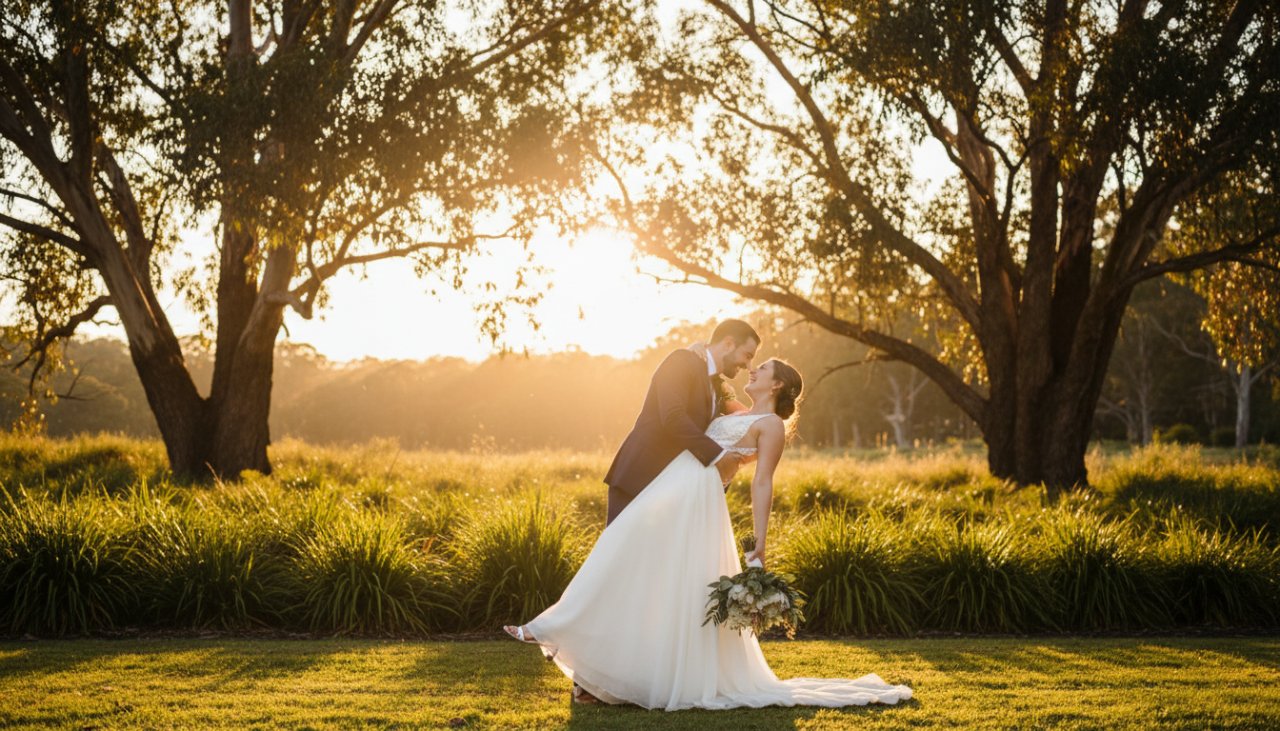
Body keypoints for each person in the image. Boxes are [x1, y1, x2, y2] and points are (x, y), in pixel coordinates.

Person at [503, 354, 913, 711]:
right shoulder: (734, 413)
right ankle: (596, 665)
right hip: (669, 488)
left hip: (696, 499)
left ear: (779, 384)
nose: (753, 369)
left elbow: (763, 483)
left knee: (626, 555)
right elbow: (700, 401)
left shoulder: (770, 425)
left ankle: (549, 627)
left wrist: (759, 546)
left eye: (763, 367)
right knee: (625, 557)